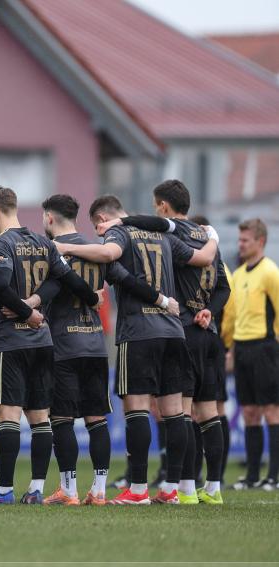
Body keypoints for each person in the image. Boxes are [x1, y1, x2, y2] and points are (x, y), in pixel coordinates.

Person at [56, 193, 218, 504]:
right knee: (174, 412)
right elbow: (203, 259)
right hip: (173, 332)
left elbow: (110, 253)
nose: (99, 233)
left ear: (103, 219)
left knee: (137, 409)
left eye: (97, 227)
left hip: (139, 332)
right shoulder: (162, 235)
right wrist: (212, 235)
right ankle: (173, 488)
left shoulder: (119, 232)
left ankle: (140, 489)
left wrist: (66, 247)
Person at [99, 181, 231, 504]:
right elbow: (224, 286)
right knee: (208, 413)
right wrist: (210, 312)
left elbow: (149, 268)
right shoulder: (206, 236)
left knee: (177, 412)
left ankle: (174, 486)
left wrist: (123, 223)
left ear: (162, 206)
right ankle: (207, 488)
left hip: (177, 326)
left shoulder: (168, 236)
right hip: (208, 334)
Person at [31, 195, 167, 506]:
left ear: (50, 218)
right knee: (97, 420)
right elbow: (128, 281)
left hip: (63, 344)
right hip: (95, 345)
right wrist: (161, 300)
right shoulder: (98, 252)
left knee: (62, 420)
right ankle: (100, 490)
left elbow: (46, 290)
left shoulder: (51, 252)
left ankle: (69, 490)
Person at [0, 186, 103, 505]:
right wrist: (90, 298)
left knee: (8, 416)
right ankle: (35, 489)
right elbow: (65, 278)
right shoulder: (43, 242)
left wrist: (26, 311)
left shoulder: (0, 243)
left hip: (12, 341)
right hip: (44, 344)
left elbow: (0, 284)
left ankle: (3, 490)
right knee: (40, 418)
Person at [221, 219, 279, 490]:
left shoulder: (270, 272)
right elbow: (235, 317)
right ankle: (253, 475)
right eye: (240, 239)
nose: (240, 244)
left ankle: (274, 476)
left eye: (245, 240)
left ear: (260, 242)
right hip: (242, 348)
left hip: (265, 348)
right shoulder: (241, 273)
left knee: (271, 411)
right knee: (249, 413)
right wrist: (231, 349)